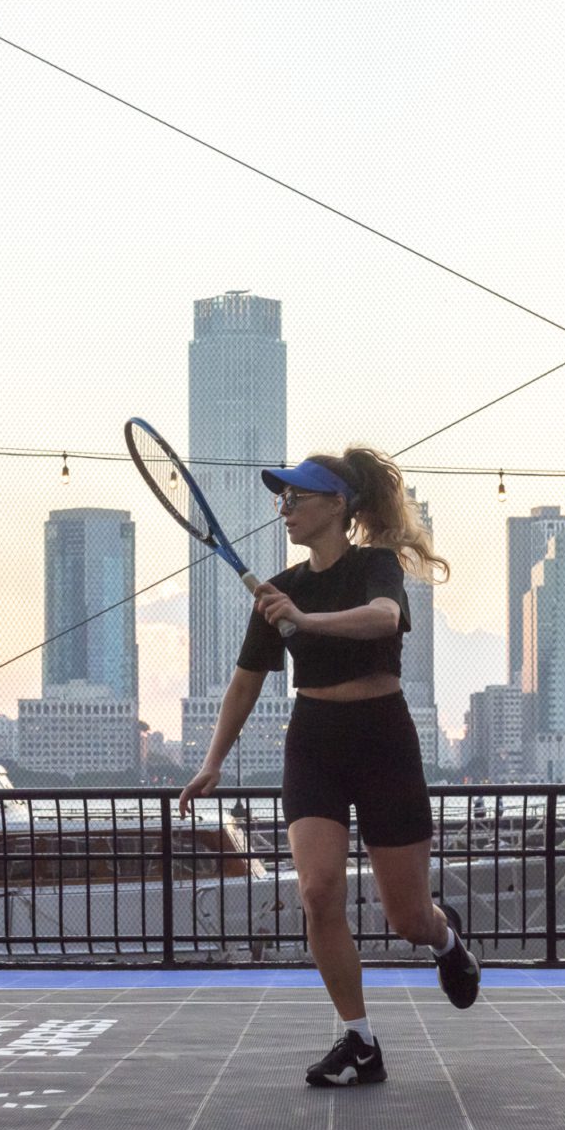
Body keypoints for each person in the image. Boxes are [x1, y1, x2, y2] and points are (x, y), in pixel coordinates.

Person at [180, 446, 473, 1088]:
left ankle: (447, 942)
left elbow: (383, 620)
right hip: (313, 742)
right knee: (317, 892)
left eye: (297, 498)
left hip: (384, 741)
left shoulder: (376, 566)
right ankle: (359, 1041)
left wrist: (304, 620)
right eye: (281, 499)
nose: (285, 509)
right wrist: (211, 763)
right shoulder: (282, 590)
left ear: (337, 505)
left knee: (408, 918)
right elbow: (244, 685)